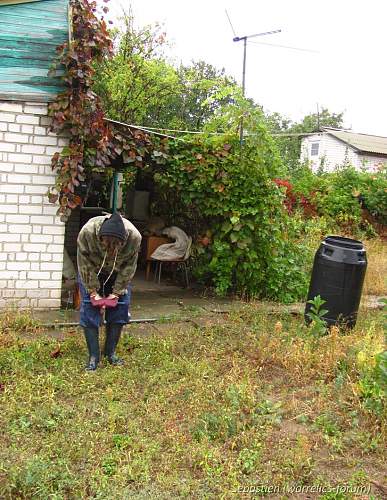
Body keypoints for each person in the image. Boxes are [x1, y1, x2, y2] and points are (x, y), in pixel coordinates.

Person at [77, 212, 142, 371]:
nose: (111, 248)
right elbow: (83, 263)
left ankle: (110, 352)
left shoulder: (134, 237)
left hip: (118, 272)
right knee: (89, 310)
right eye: (107, 243)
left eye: (115, 245)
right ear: (100, 238)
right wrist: (93, 292)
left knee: (120, 309)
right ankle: (94, 356)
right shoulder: (87, 232)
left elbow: (129, 267)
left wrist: (117, 292)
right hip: (91, 270)